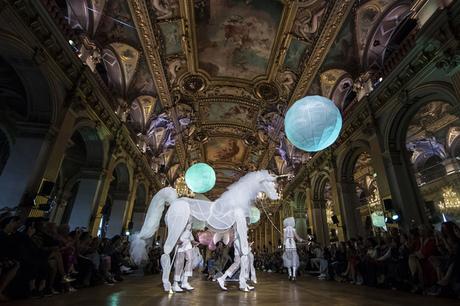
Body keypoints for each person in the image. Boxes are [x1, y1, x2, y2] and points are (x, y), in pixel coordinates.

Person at [172, 222, 197, 292]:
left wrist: (192, 240)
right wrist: (177, 239)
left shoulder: (191, 217)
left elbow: (189, 231)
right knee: (180, 263)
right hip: (181, 240)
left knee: (190, 259)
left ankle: (185, 281)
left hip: (187, 242)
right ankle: (175, 283)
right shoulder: (180, 214)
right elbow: (176, 228)